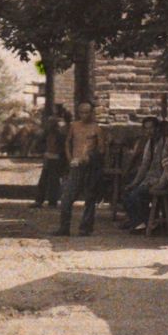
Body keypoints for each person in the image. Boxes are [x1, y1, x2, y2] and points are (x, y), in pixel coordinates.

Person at [54, 101, 108, 236]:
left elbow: (101, 149)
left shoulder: (97, 129)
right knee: (67, 197)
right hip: (75, 166)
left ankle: (85, 228)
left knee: (90, 197)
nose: (85, 115)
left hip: (90, 167)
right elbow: (68, 143)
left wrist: (90, 157)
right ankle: (64, 228)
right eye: (82, 112)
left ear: (92, 113)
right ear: (78, 113)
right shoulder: (74, 126)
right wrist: (70, 158)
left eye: (87, 112)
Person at [120, 118, 168, 232]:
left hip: (163, 180)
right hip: (150, 179)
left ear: (158, 128)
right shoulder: (150, 143)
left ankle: (147, 223)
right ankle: (141, 222)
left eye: (152, 128)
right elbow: (144, 165)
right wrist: (134, 183)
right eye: (146, 129)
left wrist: (160, 184)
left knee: (136, 195)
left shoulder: (167, 142)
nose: (150, 131)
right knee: (126, 193)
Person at [33, 103, 70, 208]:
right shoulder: (52, 131)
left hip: (56, 157)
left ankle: (49, 201)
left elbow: (62, 145)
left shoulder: (60, 130)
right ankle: (43, 200)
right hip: (50, 156)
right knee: (46, 180)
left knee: (52, 180)